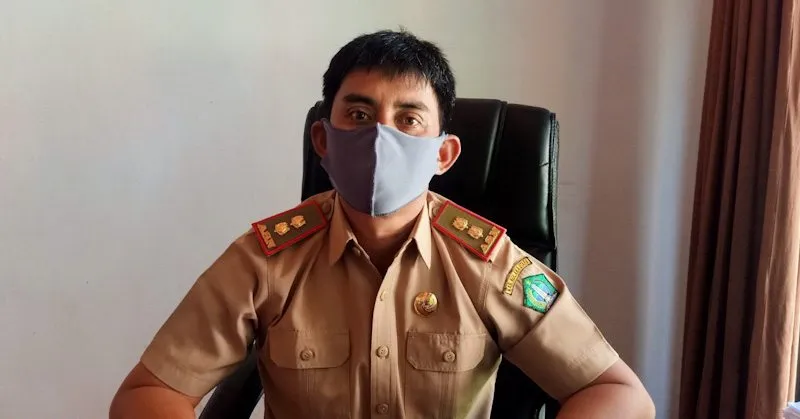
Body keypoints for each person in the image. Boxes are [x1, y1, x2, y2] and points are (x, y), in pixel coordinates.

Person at [110, 30, 655, 419]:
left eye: (408, 119)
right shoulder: (263, 261)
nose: (380, 138)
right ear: (323, 141)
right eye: (359, 115)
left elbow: (619, 393)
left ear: (443, 154)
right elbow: (145, 395)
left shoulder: (486, 263)